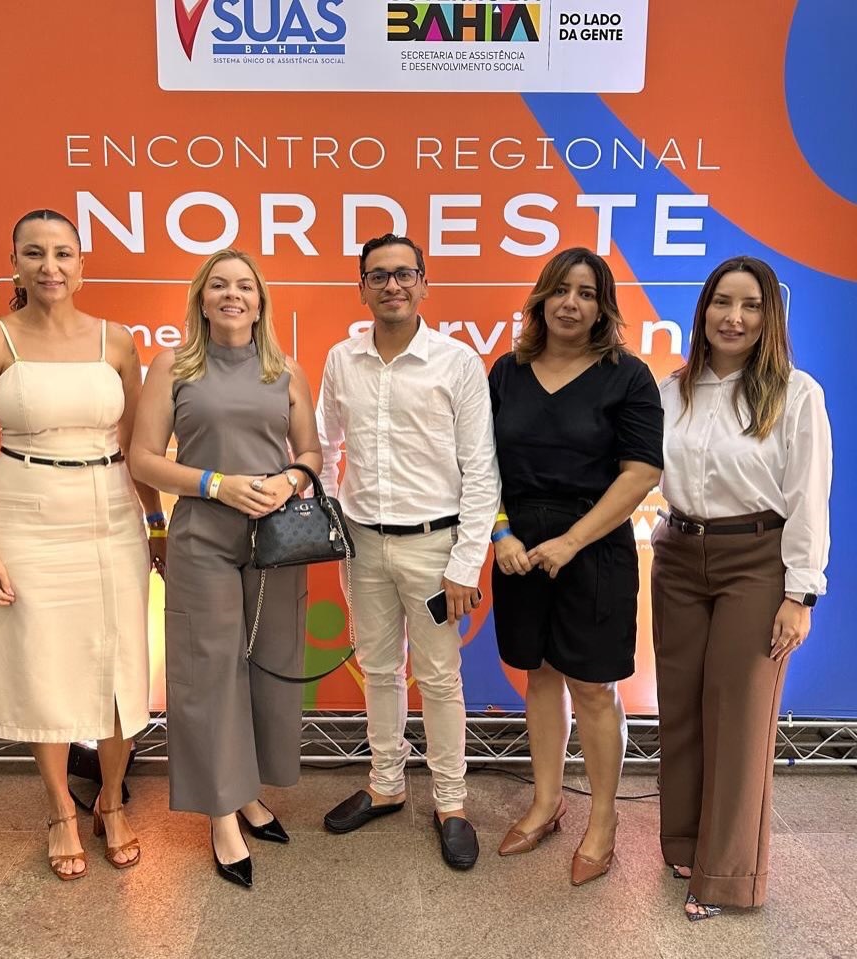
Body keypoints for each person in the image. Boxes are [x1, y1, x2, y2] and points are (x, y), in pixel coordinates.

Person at [0, 209, 163, 880]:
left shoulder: (117, 341)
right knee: (40, 664)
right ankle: (60, 812)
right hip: (26, 515)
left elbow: (138, 446)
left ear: (82, 265)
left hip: (111, 514)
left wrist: (155, 523)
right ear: (14, 264)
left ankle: (112, 800)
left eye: (63, 253)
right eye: (35, 253)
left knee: (119, 666)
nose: (50, 266)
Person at [129, 249, 321, 889]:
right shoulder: (173, 365)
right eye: (219, 285)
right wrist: (216, 483)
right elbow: (142, 459)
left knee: (268, 666)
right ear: (202, 300)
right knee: (209, 673)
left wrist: (291, 479)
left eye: (244, 286)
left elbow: (312, 451)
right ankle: (222, 815)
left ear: (260, 302)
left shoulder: (285, 370)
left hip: (277, 538)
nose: (232, 295)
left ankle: (249, 791)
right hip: (202, 536)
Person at [652, 255, 832, 920]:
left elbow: (809, 496)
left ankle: (726, 875)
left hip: (757, 562)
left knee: (740, 716)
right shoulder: (672, 390)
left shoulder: (795, 393)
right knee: (680, 706)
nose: (733, 317)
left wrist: (800, 593)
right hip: (677, 556)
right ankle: (683, 843)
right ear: (702, 311)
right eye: (722, 302)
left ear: (769, 317)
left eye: (751, 305)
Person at [316, 233, 500, 870]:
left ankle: (451, 802)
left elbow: (481, 471)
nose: (392, 285)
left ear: (424, 283)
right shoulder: (342, 359)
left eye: (403, 274)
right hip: (362, 546)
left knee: (440, 677)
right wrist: (331, 518)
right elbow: (324, 447)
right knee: (379, 670)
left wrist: (465, 563)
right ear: (361, 288)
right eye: (378, 275)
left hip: (434, 547)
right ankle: (387, 784)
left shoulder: (457, 362)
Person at [489, 247, 662, 884]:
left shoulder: (628, 376)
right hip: (519, 548)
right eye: (561, 290)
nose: (571, 303)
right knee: (539, 676)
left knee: (592, 686)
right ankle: (546, 803)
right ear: (541, 299)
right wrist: (500, 531)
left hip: (595, 548)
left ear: (603, 307)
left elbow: (641, 472)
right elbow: (480, 464)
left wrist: (571, 542)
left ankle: (604, 820)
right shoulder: (507, 372)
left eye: (587, 293)